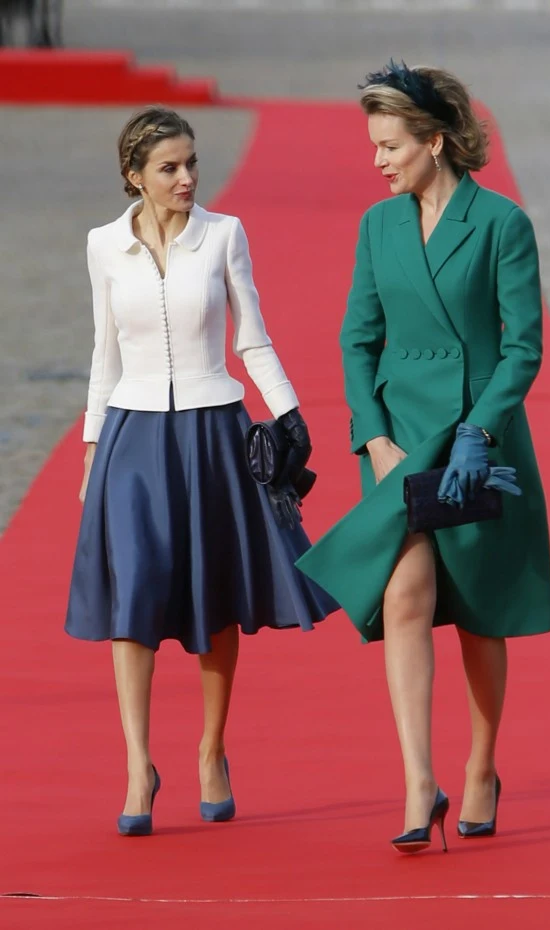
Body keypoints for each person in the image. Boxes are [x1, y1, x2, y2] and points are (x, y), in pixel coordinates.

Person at [296, 62, 550, 853]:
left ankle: (481, 765)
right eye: (374, 145)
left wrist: (480, 430)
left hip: (479, 436)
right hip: (401, 437)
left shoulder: (503, 223)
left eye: (390, 145)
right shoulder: (378, 227)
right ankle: (419, 780)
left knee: (477, 613)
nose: (378, 161)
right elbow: (357, 339)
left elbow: (523, 347)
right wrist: (372, 438)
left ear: (435, 141)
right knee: (404, 598)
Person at [65, 106, 337, 836]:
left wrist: (288, 414)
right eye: (169, 168)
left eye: (192, 164)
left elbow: (253, 338)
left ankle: (212, 751)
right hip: (131, 437)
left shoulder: (224, 235)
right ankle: (137, 767)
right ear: (135, 177)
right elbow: (104, 354)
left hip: (216, 430)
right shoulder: (101, 247)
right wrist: (92, 450)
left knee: (214, 594)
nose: (186, 178)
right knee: (135, 596)